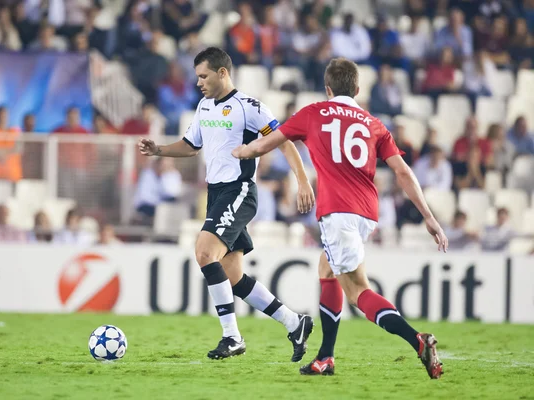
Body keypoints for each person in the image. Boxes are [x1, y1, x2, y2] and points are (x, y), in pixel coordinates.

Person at [232, 57, 448, 379]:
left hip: (338, 212)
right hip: (366, 214)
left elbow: (268, 143)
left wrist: (239, 152)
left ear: (328, 88)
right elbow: (402, 171)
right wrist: (429, 217)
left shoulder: (314, 112)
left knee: (357, 291)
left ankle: (417, 341)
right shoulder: (374, 123)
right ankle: (326, 358)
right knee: (327, 268)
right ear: (358, 89)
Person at [138, 47, 316, 361]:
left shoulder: (249, 107)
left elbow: (283, 140)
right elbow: (191, 146)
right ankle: (294, 322)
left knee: (205, 253)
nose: (199, 83)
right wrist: (159, 150)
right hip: (216, 194)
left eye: (204, 76)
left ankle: (232, 337)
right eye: (197, 77)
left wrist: (302, 180)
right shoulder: (204, 107)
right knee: (232, 276)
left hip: (240, 190)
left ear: (223, 73)